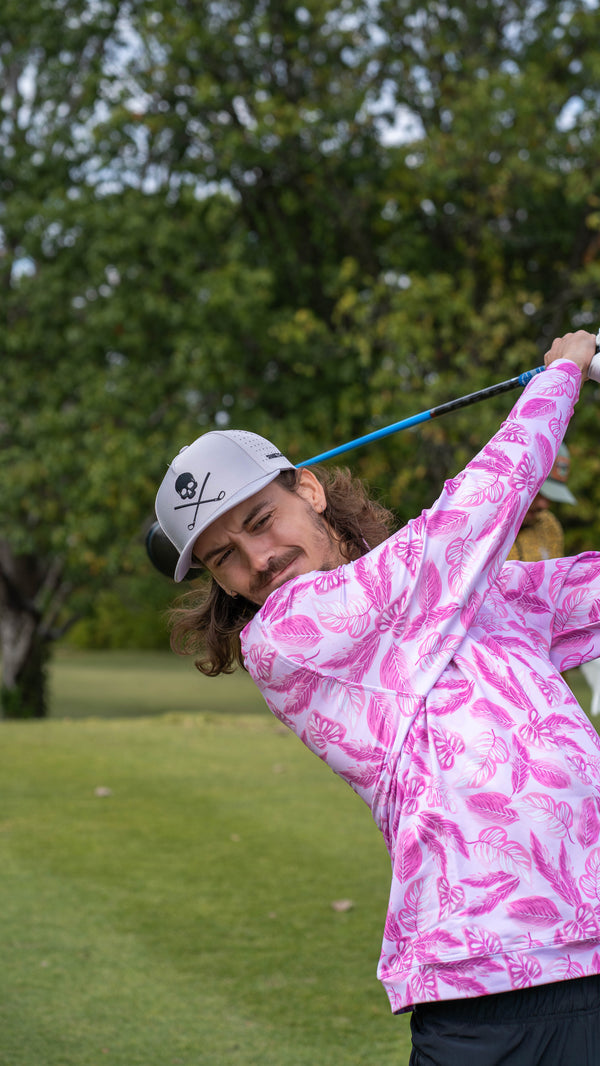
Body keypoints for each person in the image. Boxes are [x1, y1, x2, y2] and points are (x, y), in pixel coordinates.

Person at [154, 331, 600, 1065]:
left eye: (260, 522)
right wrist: (560, 377)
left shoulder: (448, 593)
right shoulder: (289, 636)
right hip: (484, 989)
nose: (257, 560)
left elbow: (567, 589)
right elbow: (470, 517)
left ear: (309, 490)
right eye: (223, 557)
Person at [507, 443, 576, 562]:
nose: (544, 505)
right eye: (539, 491)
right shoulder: (480, 525)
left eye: (550, 497)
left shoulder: (549, 527)